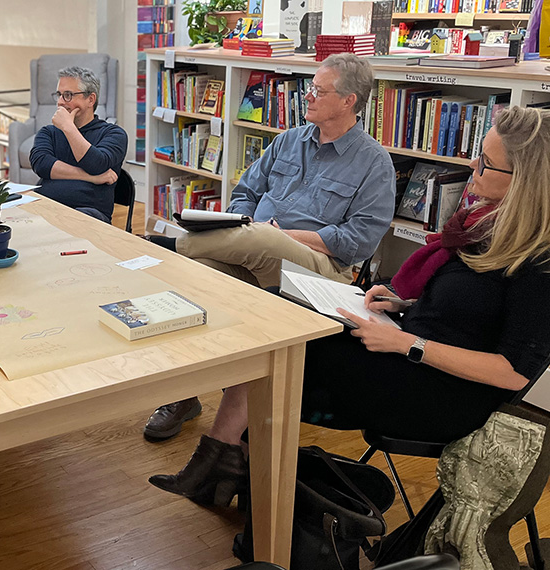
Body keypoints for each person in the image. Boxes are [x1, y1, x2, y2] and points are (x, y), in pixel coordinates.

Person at [149, 106, 550, 510]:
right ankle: (231, 462)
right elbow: (468, 309)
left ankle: (226, 464)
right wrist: (402, 303)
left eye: (486, 162)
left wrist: (407, 343)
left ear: (525, 182)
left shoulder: (540, 262)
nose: (472, 164)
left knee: (280, 342)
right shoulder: (486, 223)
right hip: (409, 347)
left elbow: (514, 372)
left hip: (441, 391)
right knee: (277, 307)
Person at [143, 53, 396, 441]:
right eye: (310, 88)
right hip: (255, 246)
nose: (307, 97)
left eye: (317, 90)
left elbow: (358, 242)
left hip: (322, 268)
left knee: (252, 240)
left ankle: (167, 245)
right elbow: (244, 193)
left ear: (349, 101)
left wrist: (283, 236)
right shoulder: (288, 141)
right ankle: (183, 394)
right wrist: (245, 221)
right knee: (195, 278)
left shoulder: (374, 162)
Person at [29, 65, 128, 222]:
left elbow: (96, 164)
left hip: (88, 215)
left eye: (68, 95)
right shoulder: (48, 132)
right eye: (59, 95)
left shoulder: (114, 133)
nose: (60, 102)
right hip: (46, 207)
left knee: (67, 222)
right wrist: (91, 178)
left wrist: (69, 127)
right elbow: (41, 164)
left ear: (90, 99)